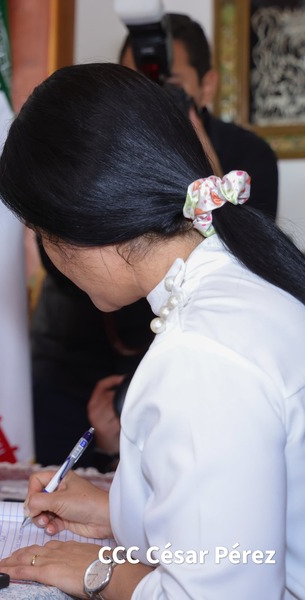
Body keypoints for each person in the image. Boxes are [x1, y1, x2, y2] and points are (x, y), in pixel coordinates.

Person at [0, 62, 305, 598]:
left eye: (41, 232)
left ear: (82, 223)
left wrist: (98, 572)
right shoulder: (247, 282)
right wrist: (118, 514)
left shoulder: (200, 354)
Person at [30, 13, 279, 468]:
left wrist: (190, 150)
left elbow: (241, 246)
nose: (150, 100)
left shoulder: (245, 155)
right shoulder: (101, 149)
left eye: (169, 86)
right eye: (136, 85)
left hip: (180, 346)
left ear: (207, 85)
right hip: (82, 350)